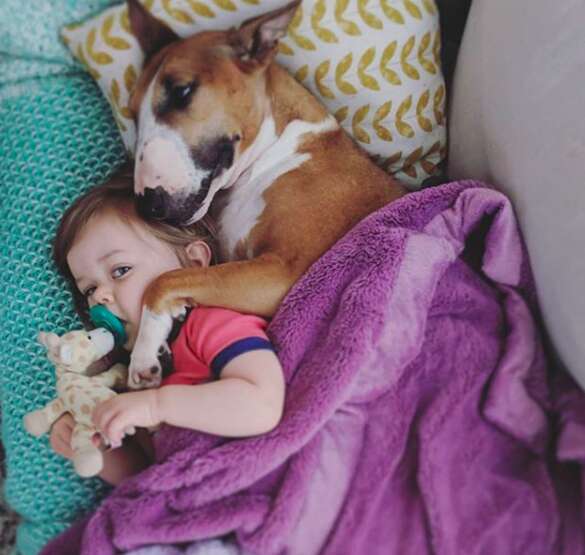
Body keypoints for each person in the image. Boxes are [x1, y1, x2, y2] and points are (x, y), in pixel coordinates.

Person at [49, 167, 285, 485]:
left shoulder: (210, 323)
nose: (101, 297)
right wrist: (97, 444)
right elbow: (143, 475)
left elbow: (263, 405)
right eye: (89, 289)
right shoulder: (133, 372)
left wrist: (156, 406)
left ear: (193, 265)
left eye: (120, 270)